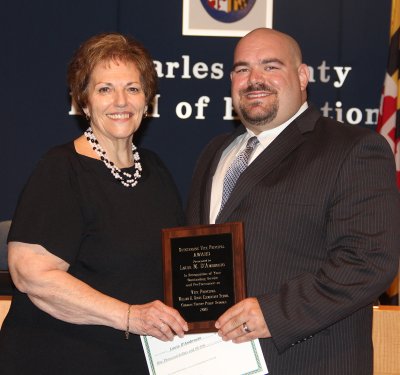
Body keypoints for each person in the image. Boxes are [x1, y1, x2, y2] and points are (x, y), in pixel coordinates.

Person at [187, 28, 400, 374]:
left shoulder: (352, 149)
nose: (254, 79)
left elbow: (369, 261)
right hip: (215, 362)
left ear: (302, 77)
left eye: (270, 66)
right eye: (242, 69)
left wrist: (273, 313)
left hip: (308, 363)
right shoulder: (215, 153)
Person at [0, 33, 188, 374]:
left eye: (132, 88)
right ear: (84, 101)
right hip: (58, 358)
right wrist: (130, 316)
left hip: (134, 358)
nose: (121, 101)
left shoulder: (156, 169)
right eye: (105, 89)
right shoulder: (61, 169)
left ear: (147, 100)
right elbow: (31, 274)